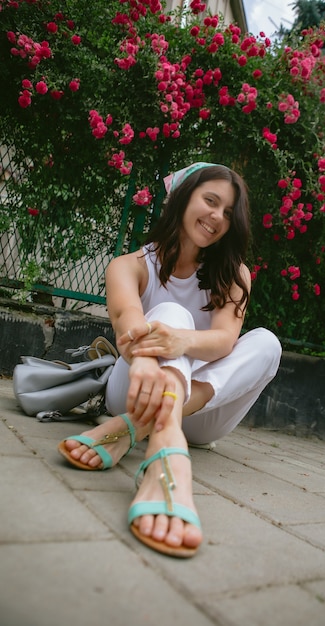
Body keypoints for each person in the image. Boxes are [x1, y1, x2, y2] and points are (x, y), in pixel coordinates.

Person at [58, 162, 282, 558]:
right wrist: (146, 360)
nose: (217, 217)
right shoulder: (128, 266)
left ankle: (138, 428)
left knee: (267, 343)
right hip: (134, 387)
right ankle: (165, 450)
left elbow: (224, 342)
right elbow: (129, 322)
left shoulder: (234, 274)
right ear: (182, 198)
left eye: (228, 213)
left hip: (199, 415)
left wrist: (177, 341)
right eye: (210, 201)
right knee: (170, 315)